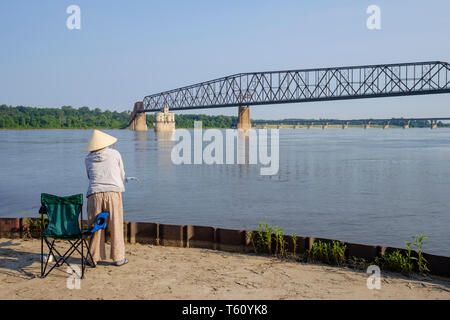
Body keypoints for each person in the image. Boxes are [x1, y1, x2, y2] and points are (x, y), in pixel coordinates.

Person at [84, 129, 128, 267]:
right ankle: (118, 258)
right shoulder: (115, 154)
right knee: (115, 225)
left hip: (94, 194)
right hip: (113, 193)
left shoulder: (87, 158)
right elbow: (121, 174)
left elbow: (89, 176)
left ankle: (93, 258)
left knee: (95, 226)